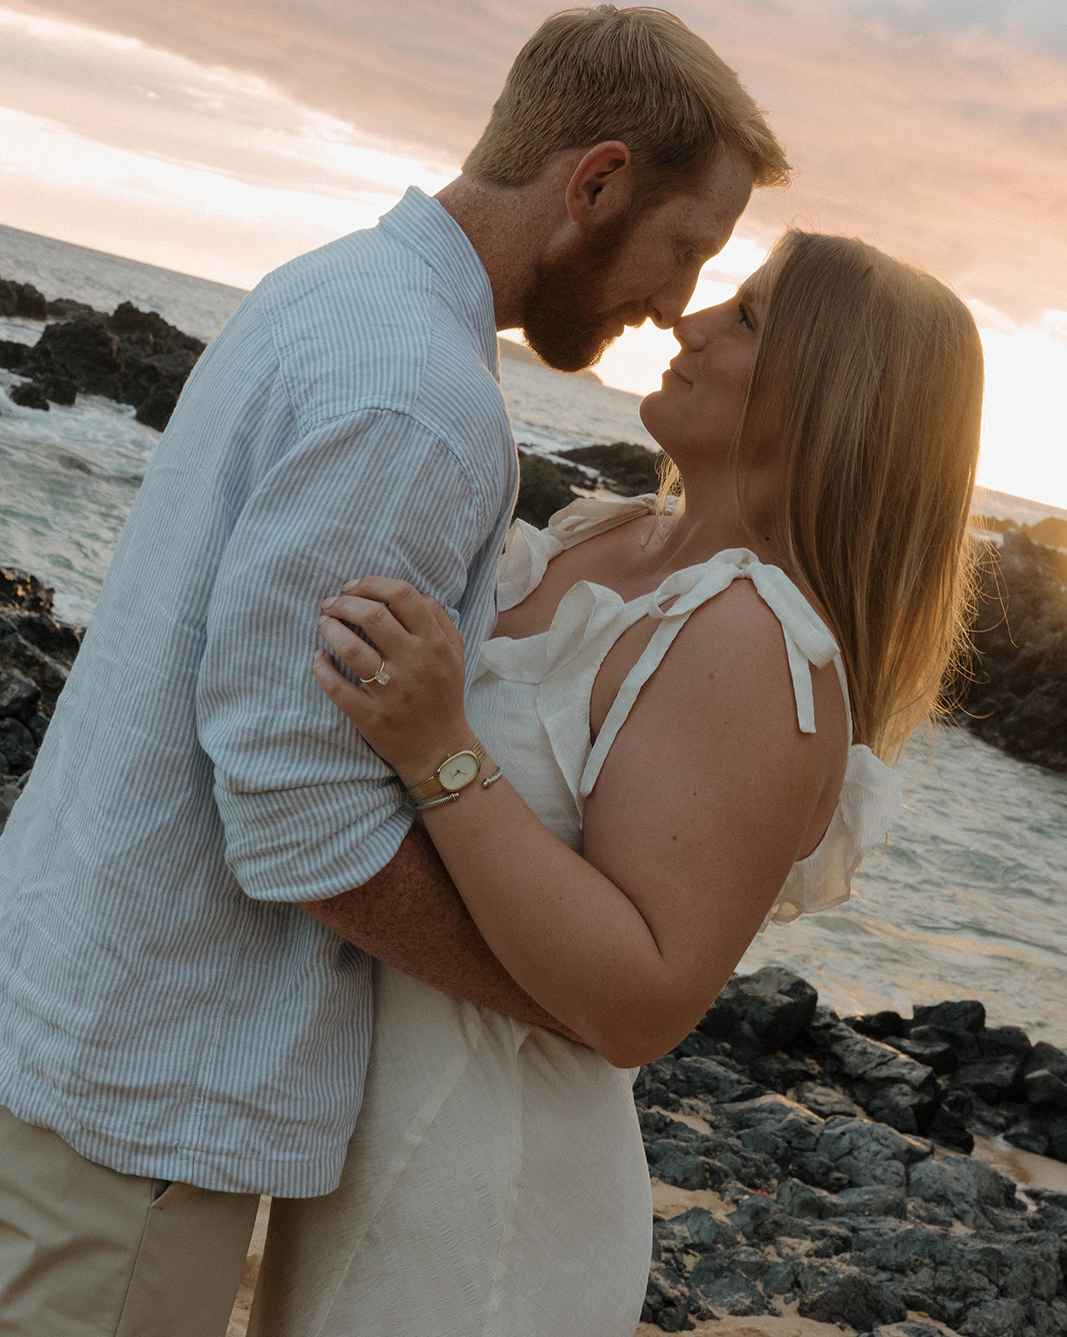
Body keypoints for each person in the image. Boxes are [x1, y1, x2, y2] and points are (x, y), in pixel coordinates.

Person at [0, 5, 789, 1337]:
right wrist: (558, 1004)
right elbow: (295, 811)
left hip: (79, 1011)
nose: (671, 302)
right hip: (152, 1097)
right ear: (592, 182)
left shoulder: (330, 289)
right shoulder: (420, 401)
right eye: (683, 247)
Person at [248, 230, 984, 1336]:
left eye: (743, 316)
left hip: (484, 1203)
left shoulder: (750, 640)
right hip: (370, 1148)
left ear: (834, 397)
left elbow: (643, 998)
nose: (685, 324)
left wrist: (438, 748)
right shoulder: (612, 536)